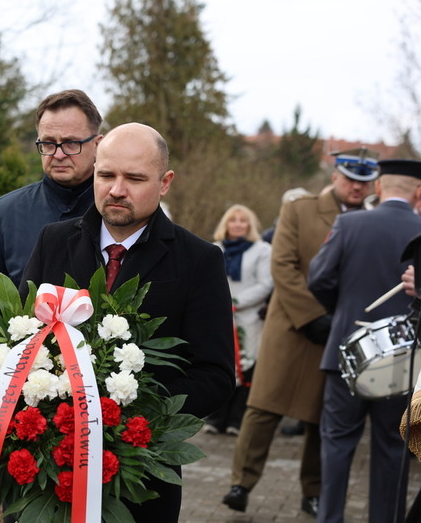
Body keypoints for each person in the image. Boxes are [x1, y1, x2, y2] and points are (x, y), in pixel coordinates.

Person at [21, 122, 235, 523]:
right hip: (48, 477)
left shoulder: (199, 260)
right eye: (106, 175)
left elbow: (216, 376)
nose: (117, 189)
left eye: (134, 178)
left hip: (138, 484)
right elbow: (19, 341)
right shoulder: (53, 240)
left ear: (165, 182)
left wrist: (124, 411)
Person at [222, 147, 379, 516]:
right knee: (262, 408)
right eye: (350, 179)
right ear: (335, 177)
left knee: (318, 416)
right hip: (291, 325)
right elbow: (283, 266)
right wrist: (310, 316)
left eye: (363, 181)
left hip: (338, 330)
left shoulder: (372, 219)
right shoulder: (300, 209)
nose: (356, 187)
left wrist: (335, 319)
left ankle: (313, 491)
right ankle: (239, 484)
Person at [308, 158, 421, 523]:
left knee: (337, 446)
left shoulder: (349, 223)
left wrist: (342, 312)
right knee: (392, 448)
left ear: (378, 187)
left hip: (347, 351)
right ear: (417, 192)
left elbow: (319, 279)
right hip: (406, 358)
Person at [0, 89, 102, 305]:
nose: (58, 155)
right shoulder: (6, 211)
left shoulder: (117, 210)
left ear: (98, 145)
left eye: (71, 143)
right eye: (49, 143)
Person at [203, 204, 272, 436]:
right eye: (234, 220)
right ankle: (216, 417)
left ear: (250, 225)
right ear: (226, 224)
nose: (238, 225)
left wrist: (236, 301)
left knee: (246, 365)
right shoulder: (215, 249)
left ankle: (236, 419)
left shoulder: (262, 250)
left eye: (243, 221)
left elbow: (265, 283)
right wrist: (221, 304)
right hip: (220, 316)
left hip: (248, 317)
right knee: (221, 363)